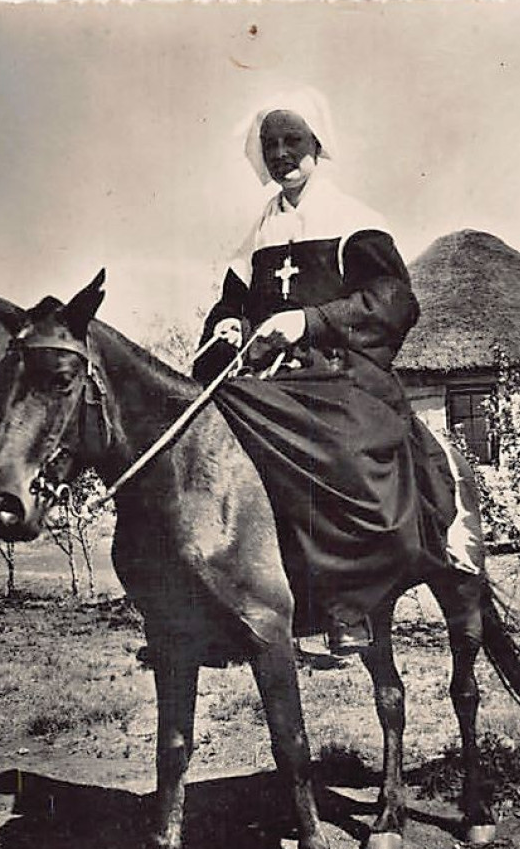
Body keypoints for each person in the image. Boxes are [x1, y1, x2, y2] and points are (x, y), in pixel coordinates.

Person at [194, 88, 455, 654]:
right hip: (267, 382)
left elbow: (394, 302)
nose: (282, 153)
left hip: (340, 375)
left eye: (293, 141)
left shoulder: (355, 220)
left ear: (318, 143)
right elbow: (231, 303)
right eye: (271, 144)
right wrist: (227, 326)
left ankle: (349, 604)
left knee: (338, 456)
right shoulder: (257, 231)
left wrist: (308, 322)